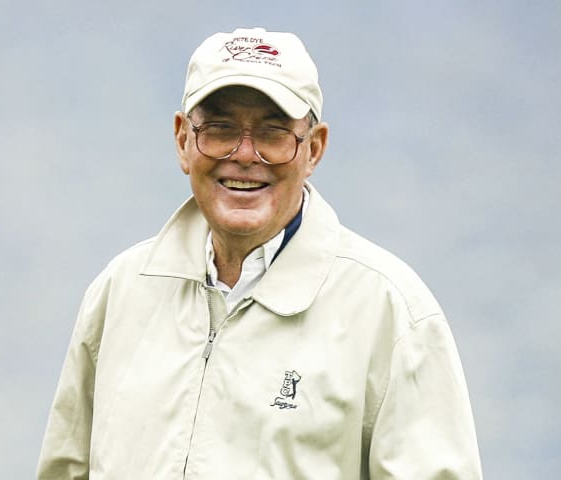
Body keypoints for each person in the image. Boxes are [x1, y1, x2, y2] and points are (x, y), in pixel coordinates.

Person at [37, 27, 482, 479]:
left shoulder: (392, 311)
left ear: (314, 149)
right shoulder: (120, 291)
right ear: (182, 141)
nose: (245, 155)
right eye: (220, 128)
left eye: (272, 133)